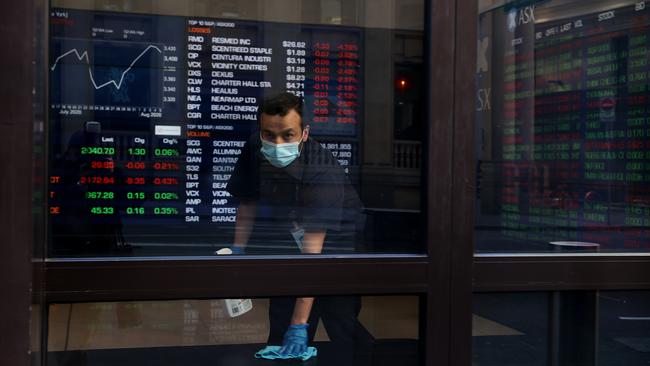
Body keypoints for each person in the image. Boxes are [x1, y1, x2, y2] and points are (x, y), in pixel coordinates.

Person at [225, 92, 371, 358]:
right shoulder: (255, 147)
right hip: (292, 235)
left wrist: (299, 325)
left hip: (338, 240)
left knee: (338, 318)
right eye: (269, 134)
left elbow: (312, 257)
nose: (277, 143)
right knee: (282, 318)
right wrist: (237, 250)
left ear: (304, 133)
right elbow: (247, 201)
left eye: (288, 135)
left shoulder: (322, 171)